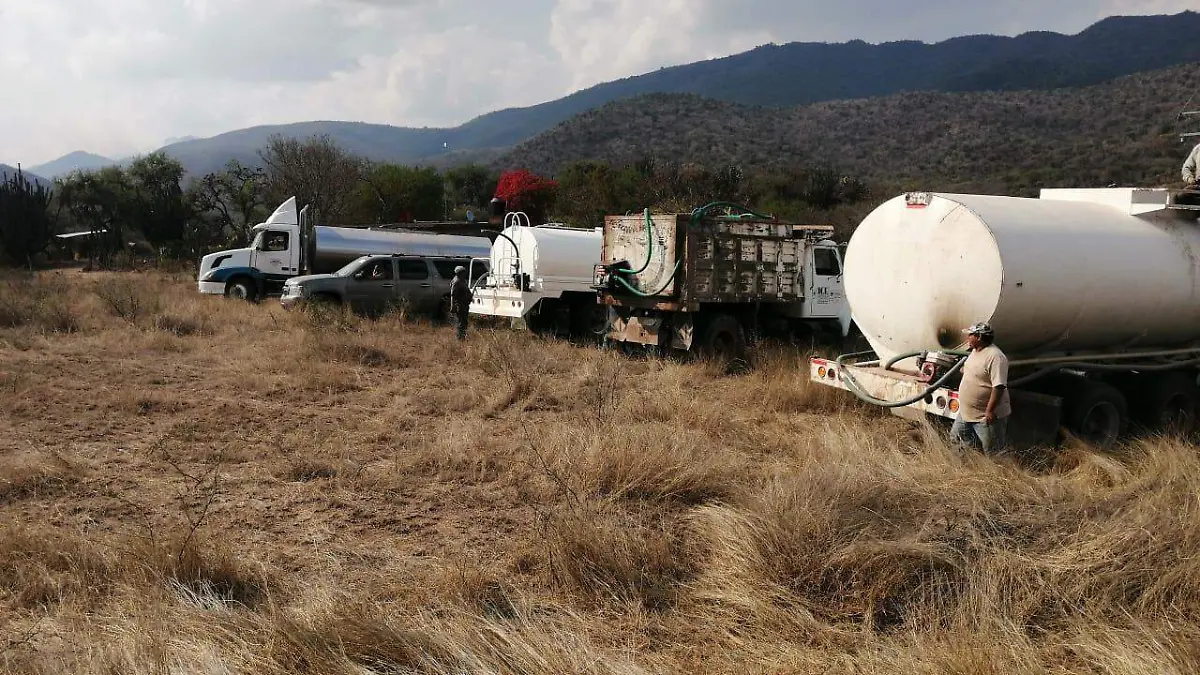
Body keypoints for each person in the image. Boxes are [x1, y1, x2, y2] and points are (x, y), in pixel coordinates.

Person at [950, 322, 1011, 453]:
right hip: (967, 412)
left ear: (979, 337)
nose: (967, 338)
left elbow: (999, 386)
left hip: (985, 415)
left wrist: (990, 410)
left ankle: (996, 472)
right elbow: (975, 371)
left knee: (993, 451)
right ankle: (967, 469)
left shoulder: (996, 357)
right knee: (957, 438)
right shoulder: (975, 351)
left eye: (970, 335)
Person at [449, 265, 473, 340]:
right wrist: (452, 305)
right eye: (463, 272)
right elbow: (453, 294)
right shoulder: (457, 281)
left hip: (464, 304)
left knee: (464, 321)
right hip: (460, 304)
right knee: (461, 322)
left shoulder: (462, 280)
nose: (465, 273)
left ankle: (462, 337)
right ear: (459, 273)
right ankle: (460, 338)